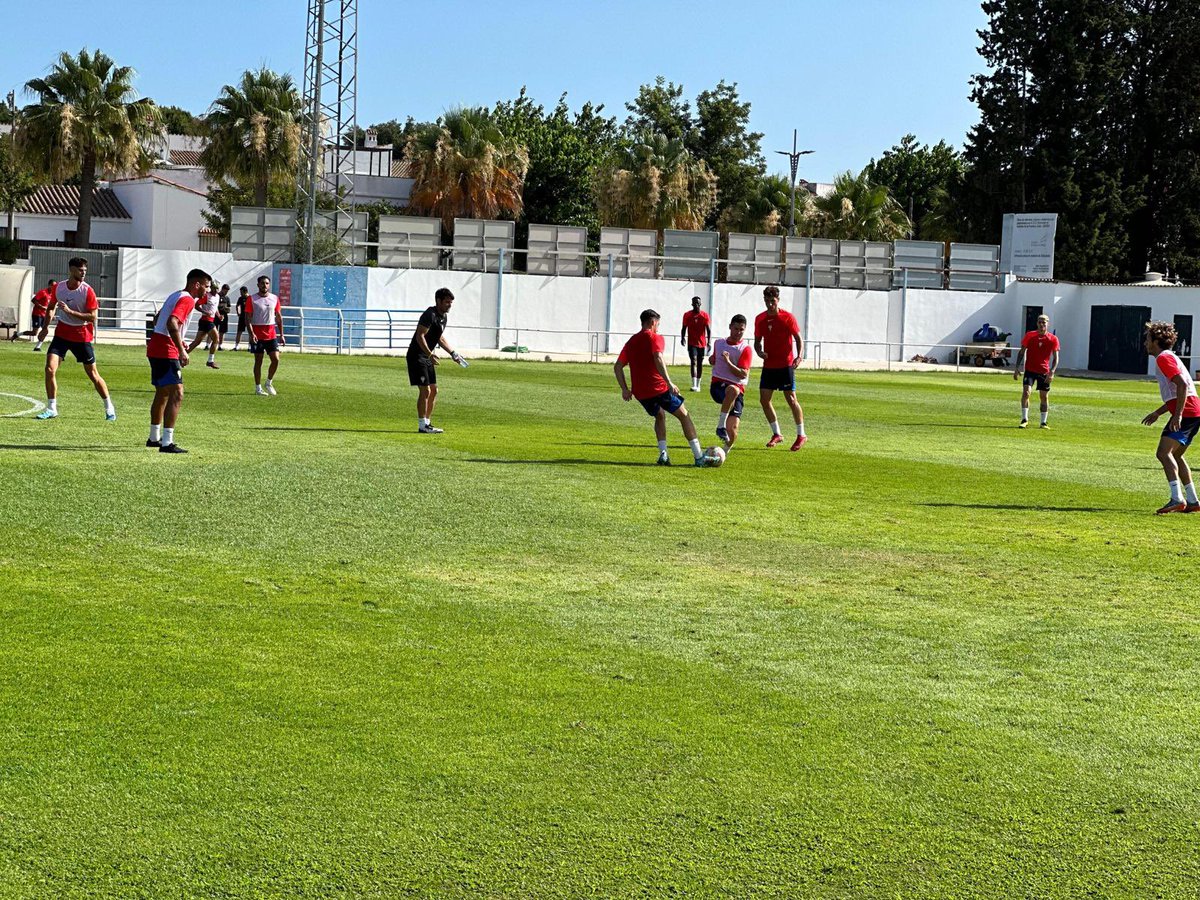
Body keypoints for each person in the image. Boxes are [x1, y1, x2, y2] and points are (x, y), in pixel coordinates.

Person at [614, 308, 709, 467]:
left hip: (641, 393)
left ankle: (663, 454)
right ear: (652, 322)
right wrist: (669, 382)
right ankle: (699, 457)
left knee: (659, 415)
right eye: (658, 324)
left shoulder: (630, 342)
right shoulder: (655, 338)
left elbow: (617, 367)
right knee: (684, 415)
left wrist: (624, 389)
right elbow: (658, 357)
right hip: (658, 389)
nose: (658, 327)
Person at [35, 257, 116, 421]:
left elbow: (93, 317)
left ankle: (109, 407)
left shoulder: (88, 291)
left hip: (81, 336)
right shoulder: (59, 288)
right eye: (80, 270)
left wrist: (70, 311)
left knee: (93, 374)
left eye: (85, 270)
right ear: (72, 270)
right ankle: (51, 408)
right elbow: (51, 308)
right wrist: (44, 328)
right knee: (49, 369)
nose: (83, 273)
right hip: (62, 335)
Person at [147, 268, 210, 454]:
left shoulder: (175, 295)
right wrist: (181, 350)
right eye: (205, 287)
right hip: (166, 350)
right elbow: (172, 322)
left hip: (156, 347)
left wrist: (178, 341)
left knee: (163, 393)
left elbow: (158, 318)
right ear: (196, 284)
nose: (207, 291)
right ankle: (167, 442)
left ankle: (154, 437)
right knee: (177, 393)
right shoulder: (188, 299)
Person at [1141, 321, 1200, 514]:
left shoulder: (1163, 358)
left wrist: (1178, 415)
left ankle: (1177, 499)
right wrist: (1158, 412)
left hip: (1188, 411)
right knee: (1175, 455)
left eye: (1148, 339)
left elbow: (1182, 385)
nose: (1145, 343)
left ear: (1156, 341)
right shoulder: (1169, 357)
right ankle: (1192, 501)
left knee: (1163, 453)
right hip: (1194, 410)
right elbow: (1177, 393)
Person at [407, 287, 468, 433]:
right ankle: (422, 425)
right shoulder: (429, 314)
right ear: (438, 301)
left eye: (451, 302)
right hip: (417, 356)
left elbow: (439, 337)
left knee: (434, 390)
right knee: (425, 390)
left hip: (427, 356)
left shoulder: (443, 317)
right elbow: (420, 336)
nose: (449, 305)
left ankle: (427, 423)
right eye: (447, 302)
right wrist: (429, 354)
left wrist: (453, 354)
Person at [754, 285, 806, 450]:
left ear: (778, 300)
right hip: (769, 365)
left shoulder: (787, 317)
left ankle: (801, 434)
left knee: (791, 399)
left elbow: (798, 339)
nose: (770, 304)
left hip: (785, 365)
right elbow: (757, 341)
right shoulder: (760, 319)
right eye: (767, 301)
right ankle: (777, 433)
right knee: (764, 400)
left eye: (773, 301)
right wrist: (759, 351)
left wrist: (799, 356)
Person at [709, 314, 754, 451]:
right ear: (730, 327)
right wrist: (712, 359)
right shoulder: (719, 343)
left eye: (741, 330)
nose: (738, 332)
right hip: (718, 386)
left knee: (733, 429)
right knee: (733, 390)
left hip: (737, 388)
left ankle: (724, 453)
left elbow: (743, 373)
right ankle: (720, 426)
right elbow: (714, 359)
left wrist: (728, 362)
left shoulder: (745, 349)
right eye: (736, 329)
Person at [1014, 314, 1060, 428]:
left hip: (1044, 371)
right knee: (1026, 392)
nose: (1041, 324)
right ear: (1037, 323)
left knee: (1044, 397)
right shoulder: (1030, 335)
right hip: (1029, 370)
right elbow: (1022, 351)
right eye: (1039, 322)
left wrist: (1052, 372)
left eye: (1044, 322)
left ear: (1047, 324)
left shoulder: (1053, 339)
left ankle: (1043, 422)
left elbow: (1056, 357)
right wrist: (1016, 368)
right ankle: (1024, 419)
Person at [247, 275, 284, 395]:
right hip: (257, 335)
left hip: (271, 334)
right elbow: (248, 318)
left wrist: (281, 334)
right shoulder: (252, 299)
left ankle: (268, 382)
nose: (265, 285)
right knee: (258, 361)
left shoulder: (274, 298)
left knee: (276, 359)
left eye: (267, 283)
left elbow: (278, 317)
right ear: (258, 285)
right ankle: (258, 388)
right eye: (262, 283)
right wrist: (251, 334)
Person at [186, 283, 221, 369]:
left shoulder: (217, 296)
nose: (216, 290)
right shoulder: (206, 296)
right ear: (211, 288)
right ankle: (210, 361)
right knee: (216, 339)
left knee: (196, 342)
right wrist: (205, 312)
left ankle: (181, 355)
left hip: (208, 321)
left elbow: (215, 307)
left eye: (217, 289)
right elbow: (196, 305)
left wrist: (219, 315)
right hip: (206, 321)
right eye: (215, 288)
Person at [681, 295, 711, 392]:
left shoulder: (705, 315)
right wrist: (682, 338)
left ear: (700, 304)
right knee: (693, 361)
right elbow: (684, 328)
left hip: (702, 343)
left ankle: (698, 384)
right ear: (692, 304)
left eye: (698, 303)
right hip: (691, 342)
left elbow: (708, 330)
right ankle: (694, 384)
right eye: (694, 303)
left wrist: (709, 342)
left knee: (700, 362)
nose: (696, 305)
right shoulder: (687, 315)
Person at [26, 278, 56, 350]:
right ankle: (17, 334)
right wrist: (41, 307)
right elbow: (33, 300)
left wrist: (52, 315)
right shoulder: (43, 292)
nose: (53, 287)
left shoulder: (53, 295)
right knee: (34, 333)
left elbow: (53, 306)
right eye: (52, 285)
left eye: (54, 286)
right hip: (37, 314)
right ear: (49, 285)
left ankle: (38, 347)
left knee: (45, 330)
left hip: (45, 316)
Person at [233, 286, 252, 351]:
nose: (240, 294)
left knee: (250, 332)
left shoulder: (250, 298)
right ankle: (236, 346)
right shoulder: (240, 298)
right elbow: (237, 305)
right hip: (242, 317)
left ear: (245, 291)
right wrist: (238, 312)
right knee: (239, 331)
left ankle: (249, 347)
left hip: (249, 318)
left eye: (241, 292)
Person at [215, 284, 232, 352]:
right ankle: (209, 345)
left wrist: (225, 309)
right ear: (222, 289)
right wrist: (220, 306)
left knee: (222, 331)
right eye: (225, 290)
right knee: (214, 330)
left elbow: (229, 308)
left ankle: (220, 346)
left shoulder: (227, 298)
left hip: (224, 316)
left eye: (227, 291)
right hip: (216, 316)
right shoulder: (217, 296)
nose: (226, 292)